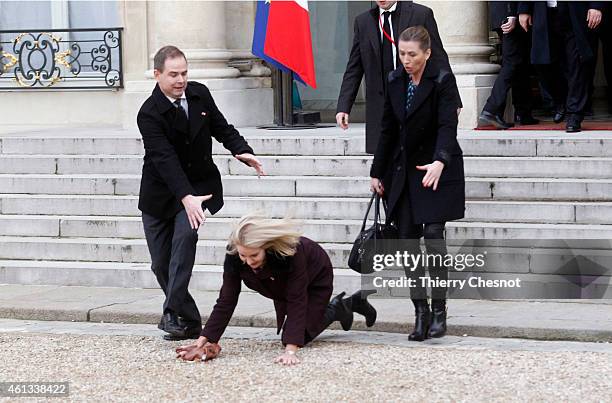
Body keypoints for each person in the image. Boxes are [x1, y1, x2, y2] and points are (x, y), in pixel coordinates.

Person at [137, 46, 264, 341]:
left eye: (184, 73)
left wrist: (242, 150)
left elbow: (221, 127)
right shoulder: (148, 113)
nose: (180, 80)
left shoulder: (199, 94)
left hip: (197, 190)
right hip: (161, 194)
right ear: (157, 75)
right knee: (160, 263)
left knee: (185, 240)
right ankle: (191, 321)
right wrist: (185, 196)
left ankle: (170, 313)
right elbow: (164, 159)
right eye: (173, 75)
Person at [176, 215, 377, 365]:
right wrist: (204, 339)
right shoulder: (236, 255)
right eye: (244, 256)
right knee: (292, 330)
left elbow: (297, 299)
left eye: (254, 255)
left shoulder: (292, 253)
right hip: (277, 283)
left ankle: (339, 307)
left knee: (296, 336)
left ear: (267, 247)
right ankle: (342, 306)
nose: (248, 261)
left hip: (316, 279)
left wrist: (291, 351)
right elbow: (226, 300)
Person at [369, 26, 465, 341]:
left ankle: (439, 312)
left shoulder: (442, 79)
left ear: (427, 53)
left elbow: (448, 124)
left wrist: (440, 160)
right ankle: (420, 312)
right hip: (402, 172)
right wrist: (377, 172)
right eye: (402, 54)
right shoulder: (395, 80)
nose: (406, 60)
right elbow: (387, 129)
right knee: (409, 242)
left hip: (436, 167)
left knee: (434, 237)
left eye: (412, 54)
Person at [336, 0, 460, 154]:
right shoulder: (363, 21)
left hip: (415, 99)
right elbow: (354, 67)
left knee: (417, 155)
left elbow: (439, 58)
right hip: (381, 106)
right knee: (384, 160)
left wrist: (452, 99)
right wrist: (343, 106)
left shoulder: (421, 14)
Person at [518, 1, 604, 132]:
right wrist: (524, 9)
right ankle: (561, 100)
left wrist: (596, 6)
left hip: (577, 11)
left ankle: (574, 114)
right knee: (540, 61)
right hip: (544, 12)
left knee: (577, 64)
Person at [478, 1, 539, 129]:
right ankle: (492, 109)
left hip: (505, 14)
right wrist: (511, 15)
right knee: (512, 63)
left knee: (520, 64)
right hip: (510, 14)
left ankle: (523, 112)